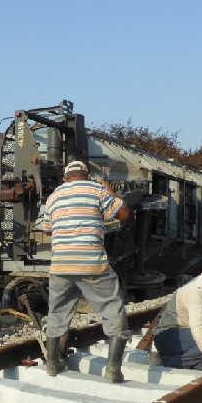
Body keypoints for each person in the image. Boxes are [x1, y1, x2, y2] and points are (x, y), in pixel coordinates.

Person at [41, 161, 131, 381]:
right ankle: (112, 369)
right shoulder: (96, 189)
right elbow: (124, 214)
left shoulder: (53, 197)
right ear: (87, 175)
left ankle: (52, 364)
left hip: (61, 265)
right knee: (112, 308)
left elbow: (47, 230)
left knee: (57, 313)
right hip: (92, 264)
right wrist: (108, 189)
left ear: (65, 178)